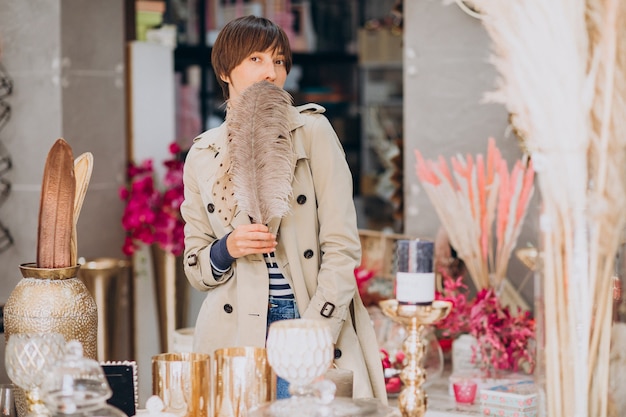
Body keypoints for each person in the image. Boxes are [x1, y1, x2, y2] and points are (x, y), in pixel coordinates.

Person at [180, 15, 386, 403]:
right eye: (256, 59)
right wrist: (229, 247)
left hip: (308, 314)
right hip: (235, 328)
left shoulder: (313, 133)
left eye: (278, 61)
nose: (271, 72)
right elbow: (196, 264)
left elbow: (342, 246)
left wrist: (314, 331)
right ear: (225, 69)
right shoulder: (203, 155)